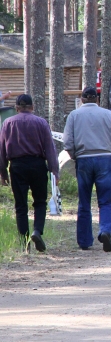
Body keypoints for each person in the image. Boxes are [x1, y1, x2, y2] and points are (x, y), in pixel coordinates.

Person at [64, 87, 111, 252]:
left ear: (82, 99)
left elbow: (67, 142)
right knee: (105, 200)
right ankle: (105, 230)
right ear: (97, 99)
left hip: (83, 160)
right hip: (105, 159)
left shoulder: (74, 115)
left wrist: (75, 156)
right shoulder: (107, 114)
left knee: (84, 201)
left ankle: (84, 240)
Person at [0, 94, 59, 252]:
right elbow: (50, 148)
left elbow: (2, 149)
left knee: (21, 206)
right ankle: (37, 231)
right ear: (32, 107)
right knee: (40, 202)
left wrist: (3, 172)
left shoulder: (8, 123)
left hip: (17, 166)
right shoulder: (41, 122)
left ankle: (24, 243)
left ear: (17, 108)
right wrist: (55, 170)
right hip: (38, 165)